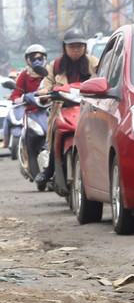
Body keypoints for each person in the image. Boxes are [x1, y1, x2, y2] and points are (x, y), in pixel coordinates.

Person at [34, 28, 99, 186]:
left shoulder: (95, 63)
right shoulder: (55, 65)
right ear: (65, 47)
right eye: (72, 47)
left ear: (84, 47)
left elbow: (102, 79)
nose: (76, 50)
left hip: (88, 108)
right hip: (62, 108)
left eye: (79, 46)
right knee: (56, 132)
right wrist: (45, 92)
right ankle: (49, 169)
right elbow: (47, 84)